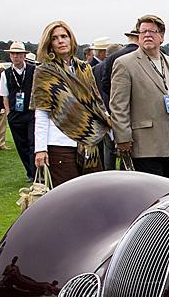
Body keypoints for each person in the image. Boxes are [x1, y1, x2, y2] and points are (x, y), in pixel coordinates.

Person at [31, 20, 111, 186]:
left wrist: (113, 131)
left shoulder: (84, 69)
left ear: (71, 39)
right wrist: (40, 149)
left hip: (88, 141)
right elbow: (42, 111)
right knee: (68, 195)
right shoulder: (44, 72)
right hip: (60, 143)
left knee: (93, 191)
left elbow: (96, 103)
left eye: (64, 36)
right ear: (49, 44)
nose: (60, 41)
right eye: (54, 38)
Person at [111, 14, 169, 180]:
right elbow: (118, 106)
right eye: (143, 32)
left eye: (152, 31)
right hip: (144, 146)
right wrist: (123, 138)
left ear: (161, 36)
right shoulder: (124, 64)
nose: (147, 35)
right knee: (150, 193)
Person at [0, 41, 36, 180]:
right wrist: (9, 112)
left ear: (24, 55)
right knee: (21, 145)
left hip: (31, 112)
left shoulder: (33, 70)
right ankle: (30, 172)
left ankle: (35, 173)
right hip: (15, 114)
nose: (16, 56)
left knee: (33, 143)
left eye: (19, 54)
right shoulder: (6, 74)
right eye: (13, 54)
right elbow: (5, 96)